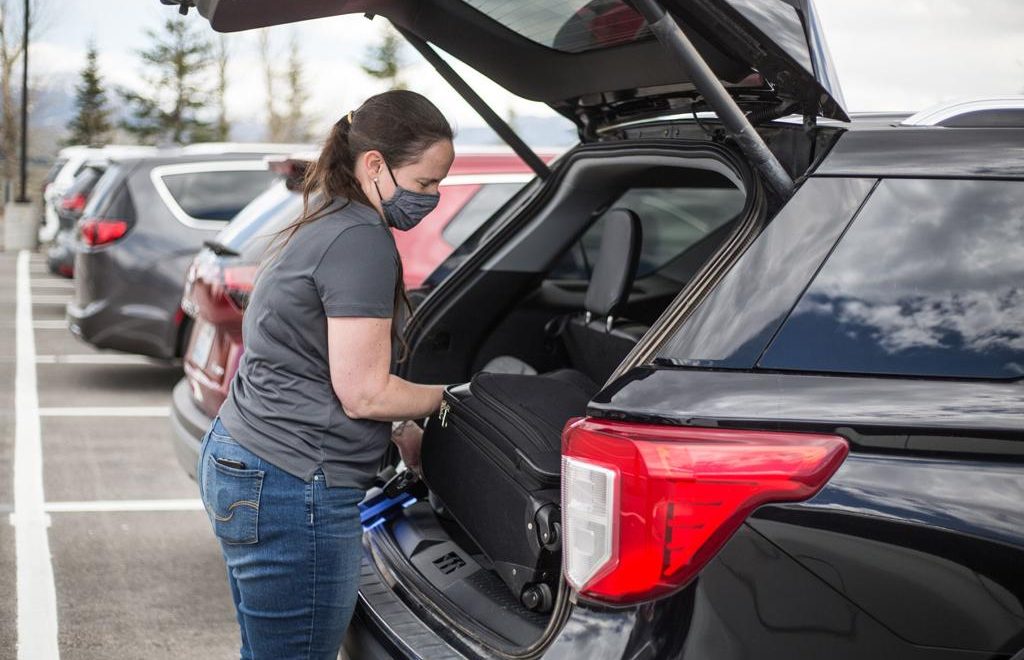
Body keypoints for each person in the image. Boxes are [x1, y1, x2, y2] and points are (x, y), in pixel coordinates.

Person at [196, 89, 454, 659]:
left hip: (248, 456)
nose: (432, 199)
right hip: (293, 484)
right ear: (374, 165)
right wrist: (455, 400)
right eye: (424, 184)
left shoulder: (326, 218)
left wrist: (395, 431)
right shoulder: (360, 240)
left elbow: (310, 363)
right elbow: (364, 392)